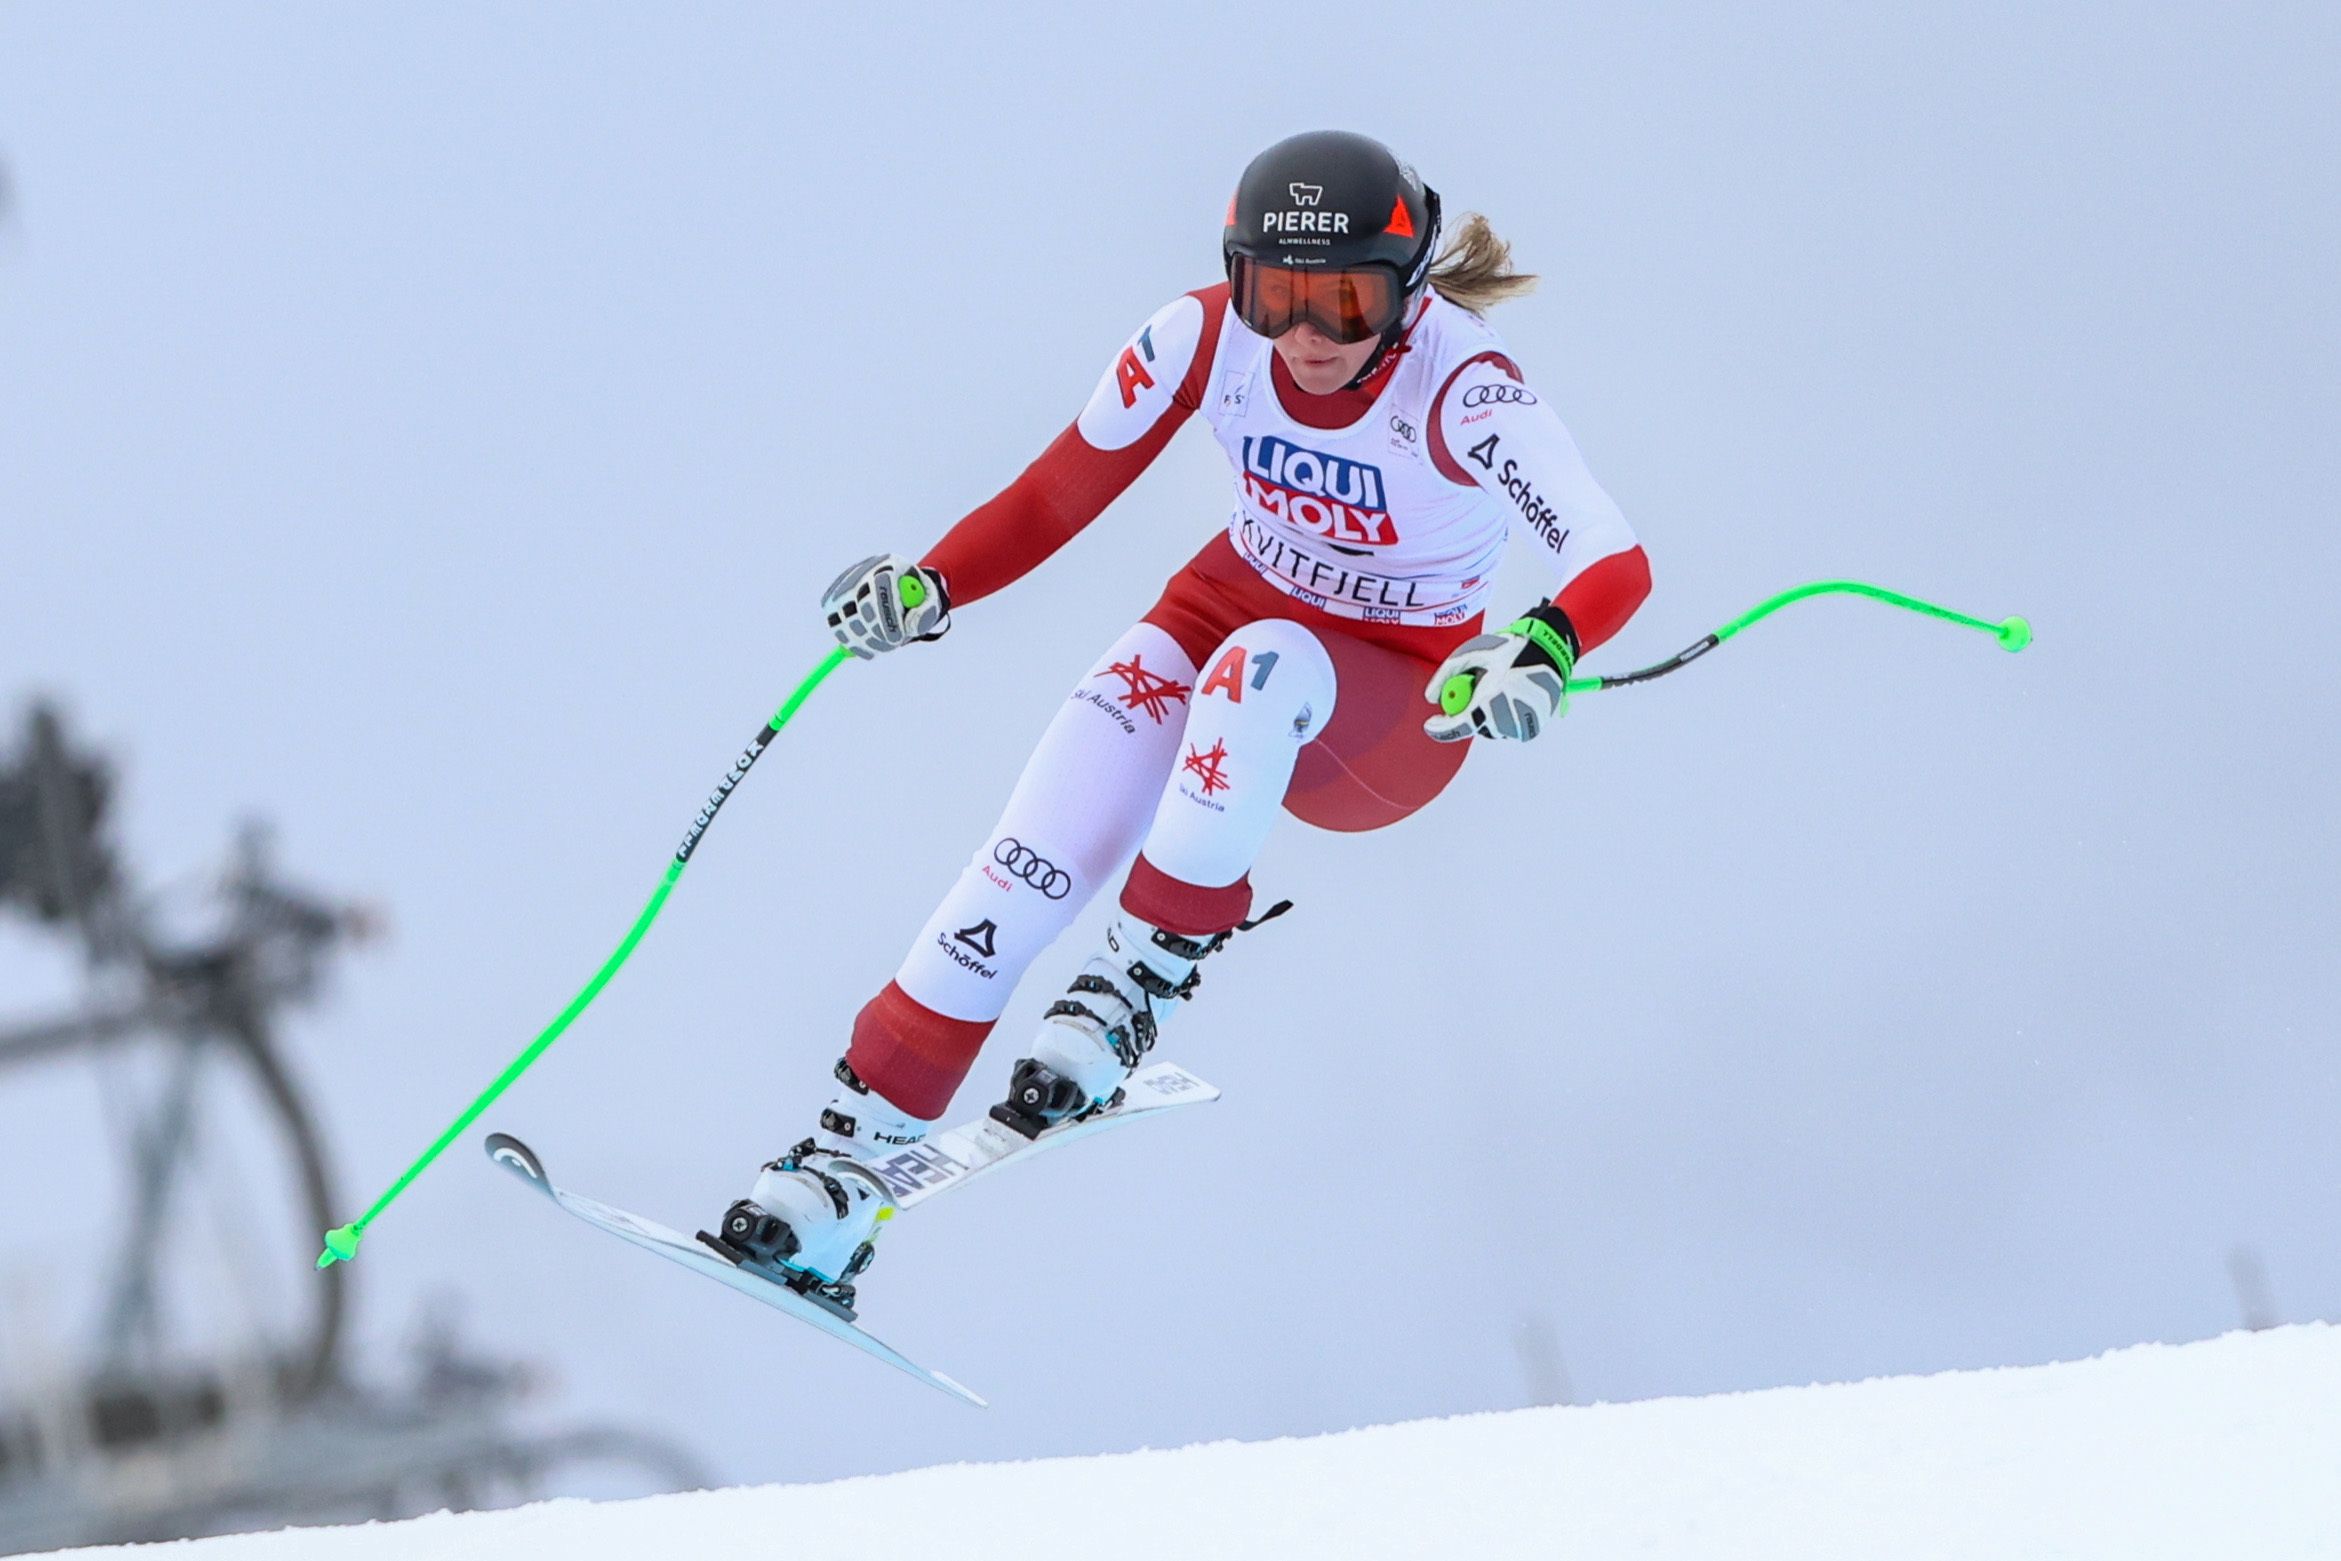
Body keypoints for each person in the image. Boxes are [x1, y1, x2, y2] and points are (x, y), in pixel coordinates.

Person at [712, 129, 1652, 1304]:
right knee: (1028, 853)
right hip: (1225, 614)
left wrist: (1547, 640)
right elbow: (1056, 491)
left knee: (1259, 666)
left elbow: (1613, 557)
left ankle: (1133, 983)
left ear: (1406, 294)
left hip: (1387, 704)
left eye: (1345, 303)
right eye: (1276, 298)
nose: (1305, 338)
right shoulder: (1198, 338)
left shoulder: (1463, 385)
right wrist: (932, 581)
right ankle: (839, 1165)